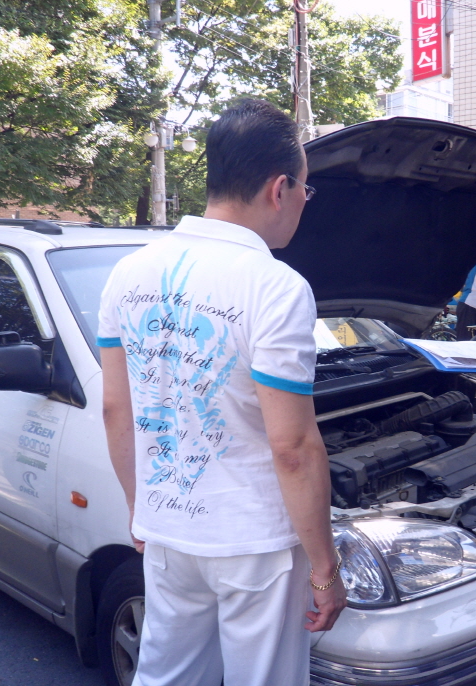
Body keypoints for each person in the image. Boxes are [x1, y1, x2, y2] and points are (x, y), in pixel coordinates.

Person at [97, 99, 346, 686]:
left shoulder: (127, 273)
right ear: (280, 188)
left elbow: (116, 407)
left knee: (166, 674)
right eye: (307, 192)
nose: (303, 205)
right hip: (254, 542)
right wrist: (324, 569)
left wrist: (140, 507)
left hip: (166, 529)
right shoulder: (277, 287)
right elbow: (293, 446)